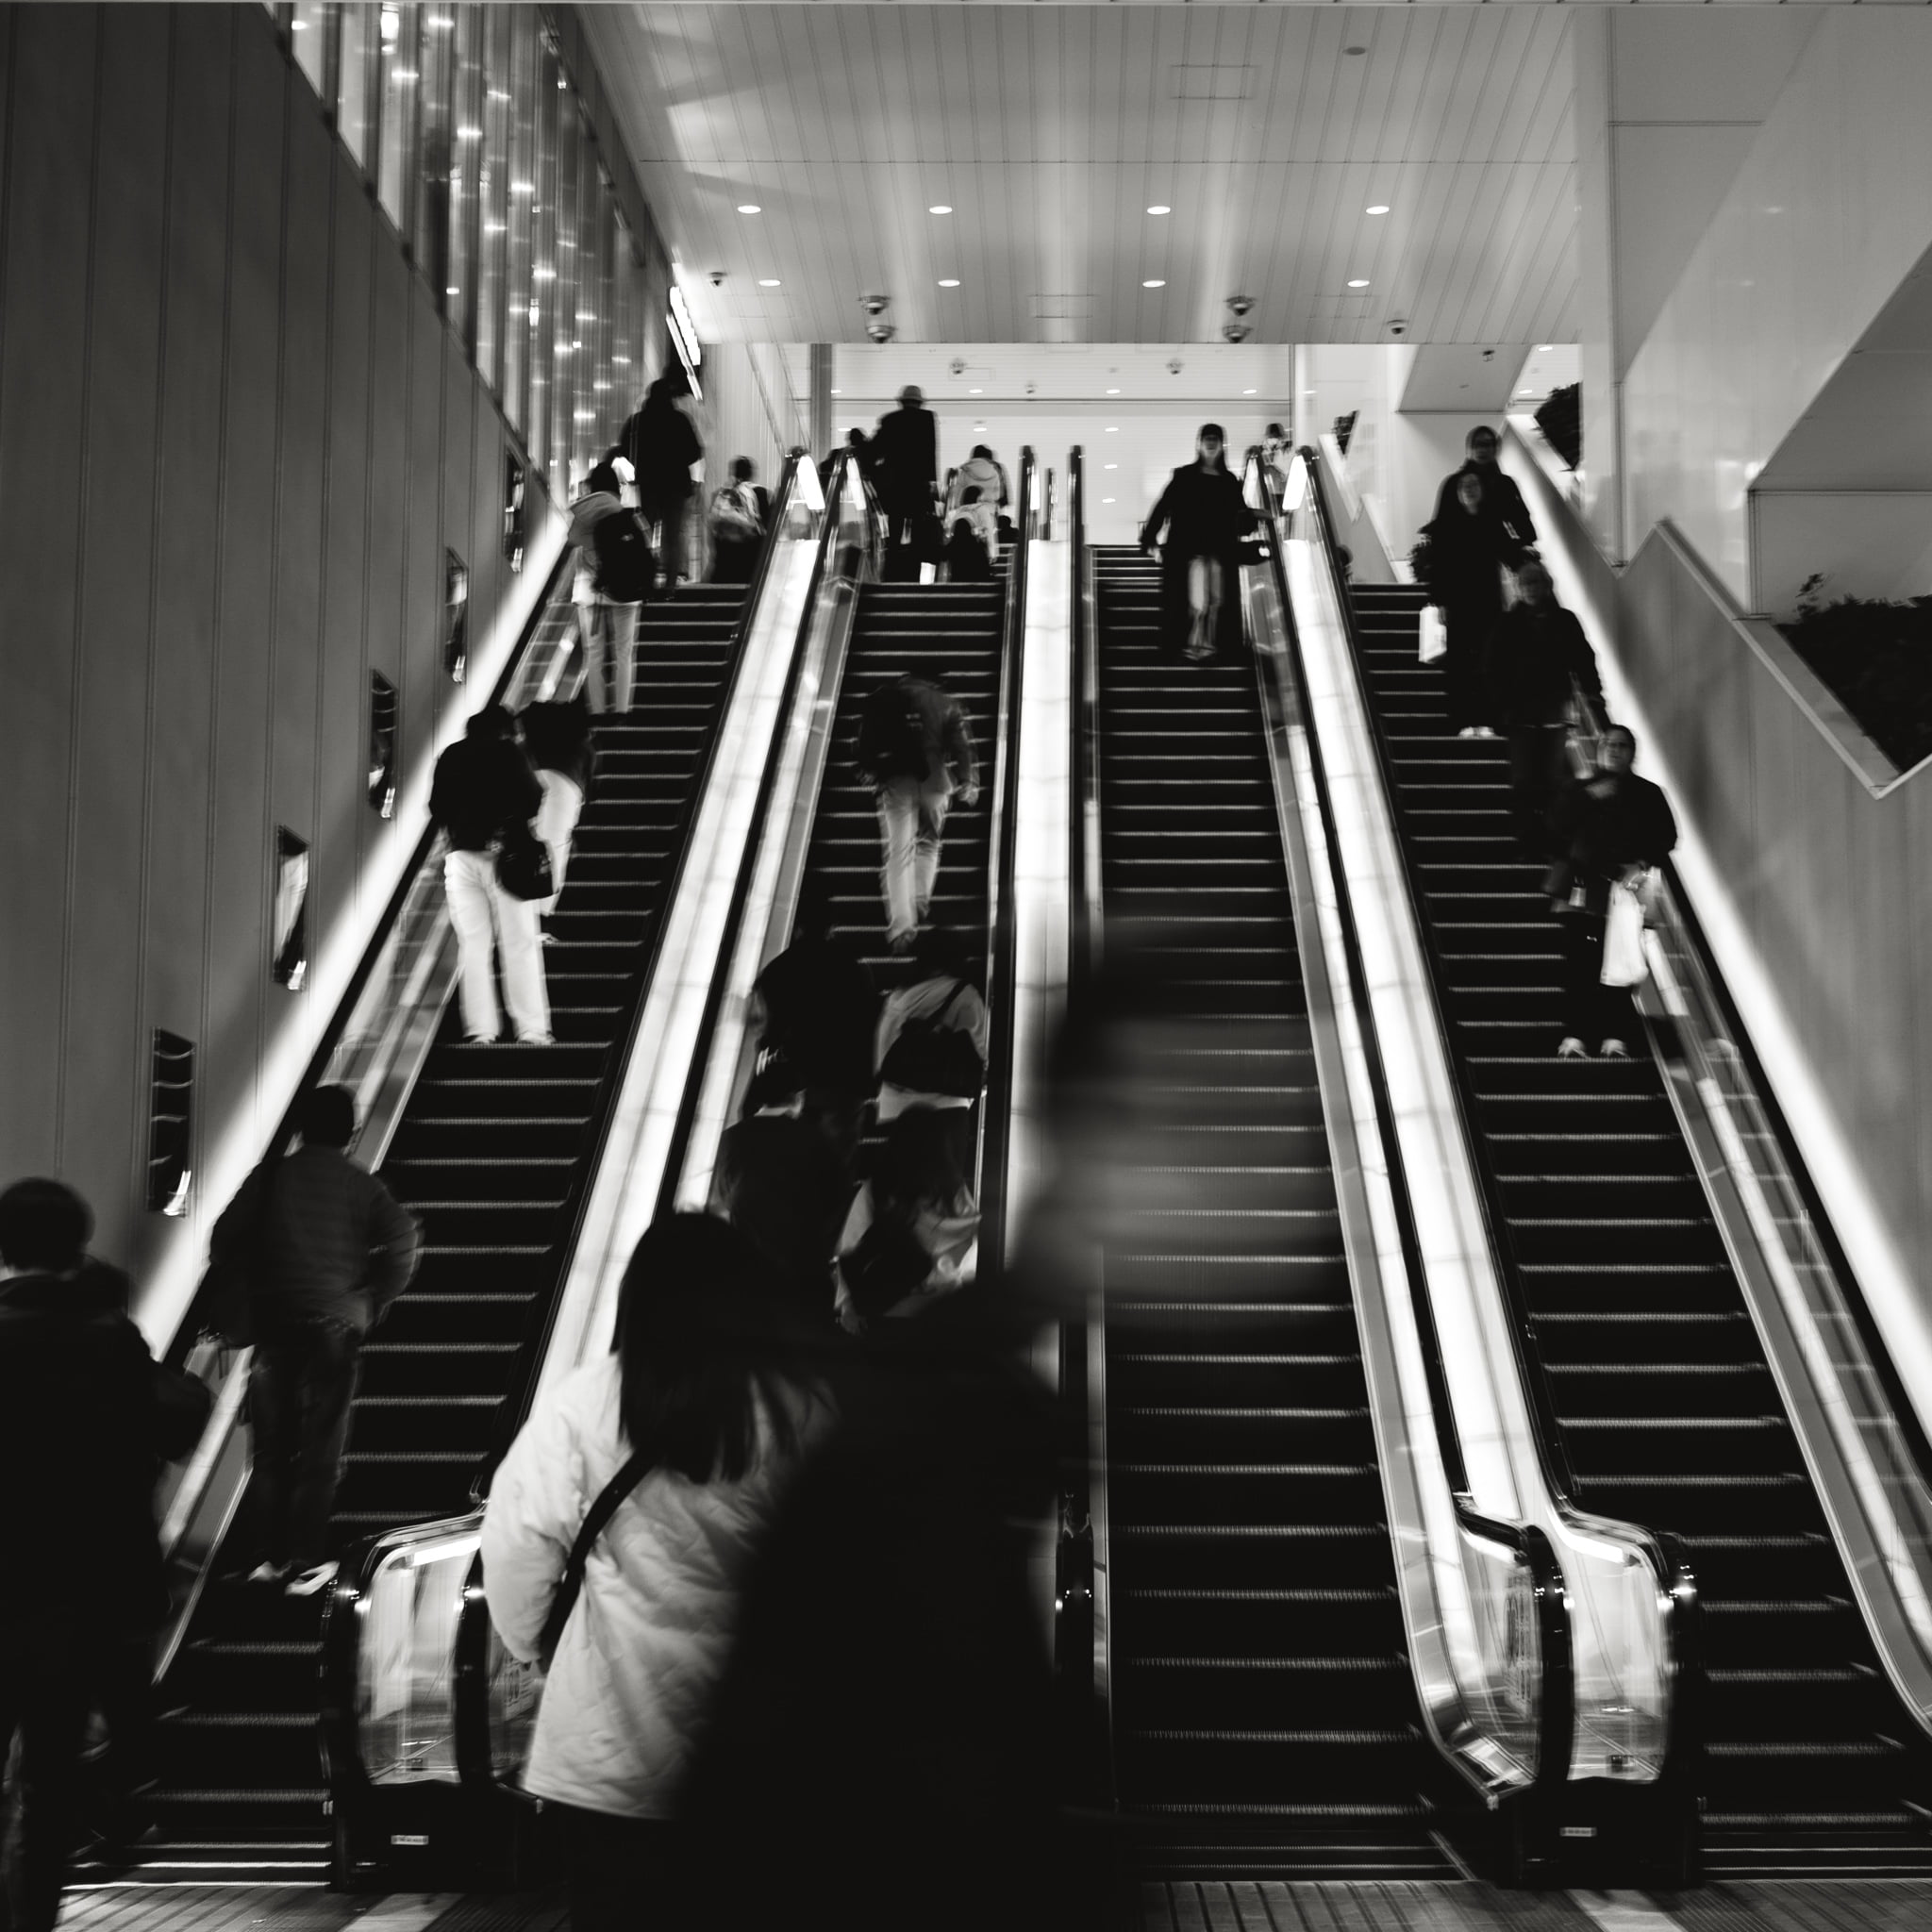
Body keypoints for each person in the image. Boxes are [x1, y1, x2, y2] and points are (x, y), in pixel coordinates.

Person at [480, 1214, 828, 1932]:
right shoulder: (798, 1408)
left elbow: (517, 1547)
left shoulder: (584, 1403)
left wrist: (535, 1647)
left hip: (611, 1752)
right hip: (760, 1753)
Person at [2, 1179, 209, 1928]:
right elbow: (184, 1417)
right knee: (49, 1785)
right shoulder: (110, 1342)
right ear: (76, 1247)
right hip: (78, 1606)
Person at [212, 1086, 421, 1595]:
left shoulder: (270, 1178)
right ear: (350, 1132)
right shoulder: (360, 1185)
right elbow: (403, 1239)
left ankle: (265, 1559)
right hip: (336, 1324)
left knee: (270, 1449)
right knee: (320, 1448)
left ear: (300, 1127)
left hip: (277, 1321)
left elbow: (224, 1238)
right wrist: (373, 1295)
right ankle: (305, 1561)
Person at [1547, 725, 1678, 1060]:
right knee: (1580, 963)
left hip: (1626, 890)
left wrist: (1641, 862)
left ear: (1632, 753)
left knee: (1620, 962)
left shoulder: (1648, 794)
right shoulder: (1581, 789)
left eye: (1621, 745)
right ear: (1598, 749)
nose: (1613, 750)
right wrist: (1589, 797)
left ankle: (1614, 1035)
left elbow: (1667, 837)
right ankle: (1576, 1034)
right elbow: (1555, 827)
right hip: (1585, 889)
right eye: (1607, 744)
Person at [429, 703, 553, 1044]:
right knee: (519, 943)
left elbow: (436, 807)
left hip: (459, 859)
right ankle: (531, 1030)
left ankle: (481, 1031)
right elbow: (533, 796)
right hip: (504, 857)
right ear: (504, 729)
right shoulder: (508, 751)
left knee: (473, 945)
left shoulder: (451, 755)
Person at [854, 669, 979, 951]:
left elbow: (867, 739)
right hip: (935, 782)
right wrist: (968, 781)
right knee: (928, 844)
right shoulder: (946, 701)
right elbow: (962, 748)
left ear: (906, 678)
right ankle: (919, 904)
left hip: (897, 780)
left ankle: (901, 927)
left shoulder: (888, 696)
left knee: (898, 851)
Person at [1484, 561, 1603, 855]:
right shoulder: (1508, 624)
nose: (1530, 590)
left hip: (1553, 711)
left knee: (1553, 776)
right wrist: (1501, 708)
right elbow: (1492, 667)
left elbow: (1583, 659)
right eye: (1525, 585)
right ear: (1519, 589)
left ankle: (1550, 833)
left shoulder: (1564, 621)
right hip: (1522, 713)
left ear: (1546, 586)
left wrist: (1593, 693)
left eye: (1535, 584)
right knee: (1524, 777)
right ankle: (1526, 834)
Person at [747, 889, 879, 1141]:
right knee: (837, 1162)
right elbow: (871, 1022)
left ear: (797, 926)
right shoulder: (853, 967)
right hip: (846, 1080)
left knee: (797, 1159)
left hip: (798, 1081)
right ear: (832, 927)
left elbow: (768, 1034)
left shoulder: (777, 970)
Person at [835, 1108, 979, 1333]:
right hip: (940, 1313)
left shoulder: (876, 1189)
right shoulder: (953, 1192)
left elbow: (852, 1247)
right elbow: (969, 1251)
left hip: (887, 1312)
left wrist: (848, 1306)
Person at [1420, 469, 1527, 737]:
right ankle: (1461, 720)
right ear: (1457, 493)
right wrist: (1440, 602)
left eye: (1474, 485)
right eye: (1464, 486)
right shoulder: (1446, 526)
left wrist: (1528, 572)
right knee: (1459, 664)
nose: (1469, 489)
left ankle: (1488, 719)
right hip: (1457, 604)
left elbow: (1509, 554)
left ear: (1482, 490)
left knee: (1489, 661)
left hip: (1488, 601)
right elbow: (1438, 567)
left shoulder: (1491, 521)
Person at [1141, 423, 1255, 662]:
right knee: (1193, 600)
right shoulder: (1185, 476)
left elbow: (1240, 516)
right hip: (1187, 550)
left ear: (1221, 446)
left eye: (1215, 439)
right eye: (1207, 439)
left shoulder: (1228, 480)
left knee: (1216, 600)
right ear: (1199, 444)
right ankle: (1189, 645)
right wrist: (1150, 537)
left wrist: (1254, 519)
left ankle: (1211, 645)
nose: (1211, 443)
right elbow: (1164, 505)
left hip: (1219, 550)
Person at [874, 924, 990, 1157]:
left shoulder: (898, 995)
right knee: (942, 1186)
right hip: (946, 1109)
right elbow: (980, 1055)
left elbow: (881, 1057)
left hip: (896, 1110)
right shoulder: (965, 995)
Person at [566, 461, 647, 716]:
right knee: (624, 653)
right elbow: (643, 549)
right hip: (625, 590)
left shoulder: (581, 514)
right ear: (616, 487)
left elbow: (573, 541)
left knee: (594, 656)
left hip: (590, 591)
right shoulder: (624, 513)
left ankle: (598, 714)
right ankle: (622, 713)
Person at [619, 373, 703, 593]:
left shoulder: (637, 420)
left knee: (645, 535)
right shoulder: (680, 420)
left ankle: (646, 581)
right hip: (675, 487)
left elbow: (623, 449)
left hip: (648, 486)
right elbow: (695, 452)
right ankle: (670, 586)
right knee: (672, 537)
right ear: (670, 398)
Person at [517, 696, 595, 924]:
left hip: (531, 785)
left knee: (525, 849)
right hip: (565, 791)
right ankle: (540, 916)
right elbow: (589, 785)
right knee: (554, 852)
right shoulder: (583, 748)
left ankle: (523, 914)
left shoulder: (526, 744)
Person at [1433, 422, 1538, 557]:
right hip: (1460, 554)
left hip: (1494, 554)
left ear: (1495, 449)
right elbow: (1442, 524)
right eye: (1477, 445)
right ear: (1469, 449)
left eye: (1487, 444)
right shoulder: (1454, 483)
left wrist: (1527, 544)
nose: (1482, 450)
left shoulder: (1504, 483)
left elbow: (1519, 517)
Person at [869, 384, 940, 570]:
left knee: (895, 526)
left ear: (901, 402)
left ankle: (891, 568)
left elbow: (876, 449)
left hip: (895, 483)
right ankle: (914, 570)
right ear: (920, 403)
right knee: (918, 527)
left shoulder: (890, 420)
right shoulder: (927, 418)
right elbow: (931, 451)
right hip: (919, 483)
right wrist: (933, 482)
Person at [708, 456, 768, 585]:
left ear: (733, 473)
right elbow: (766, 529)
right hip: (748, 562)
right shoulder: (761, 493)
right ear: (752, 474)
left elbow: (713, 528)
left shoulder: (720, 493)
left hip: (724, 561)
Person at [942, 489, 995, 582]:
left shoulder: (957, 512)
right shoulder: (982, 509)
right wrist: (991, 553)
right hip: (976, 579)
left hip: (958, 579)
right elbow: (988, 532)